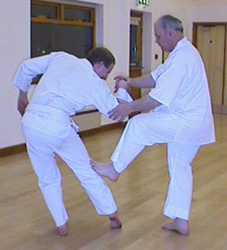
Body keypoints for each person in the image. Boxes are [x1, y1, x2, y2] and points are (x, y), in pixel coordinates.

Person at [92, 15, 215, 236]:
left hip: (186, 121)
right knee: (180, 168)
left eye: (158, 35)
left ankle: (114, 168)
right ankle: (181, 220)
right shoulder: (182, 53)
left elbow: (159, 98)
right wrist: (129, 81)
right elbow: (155, 78)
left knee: (139, 124)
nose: (156, 40)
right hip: (194, 123)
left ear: (170, 33)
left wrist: (129, 109)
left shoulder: (181, 59)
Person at [12, 47, 132, 236]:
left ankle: (61, 224)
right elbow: (117, 113)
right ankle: (112, 213)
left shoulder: (62, 57)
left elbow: (26, 67)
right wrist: (123, 89)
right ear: (99, 64)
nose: (106, 77)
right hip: (57, 125)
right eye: (106, 72)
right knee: (85, 169)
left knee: (47, 178)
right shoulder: (94, 82)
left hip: (31, 122)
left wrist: (22, 95)